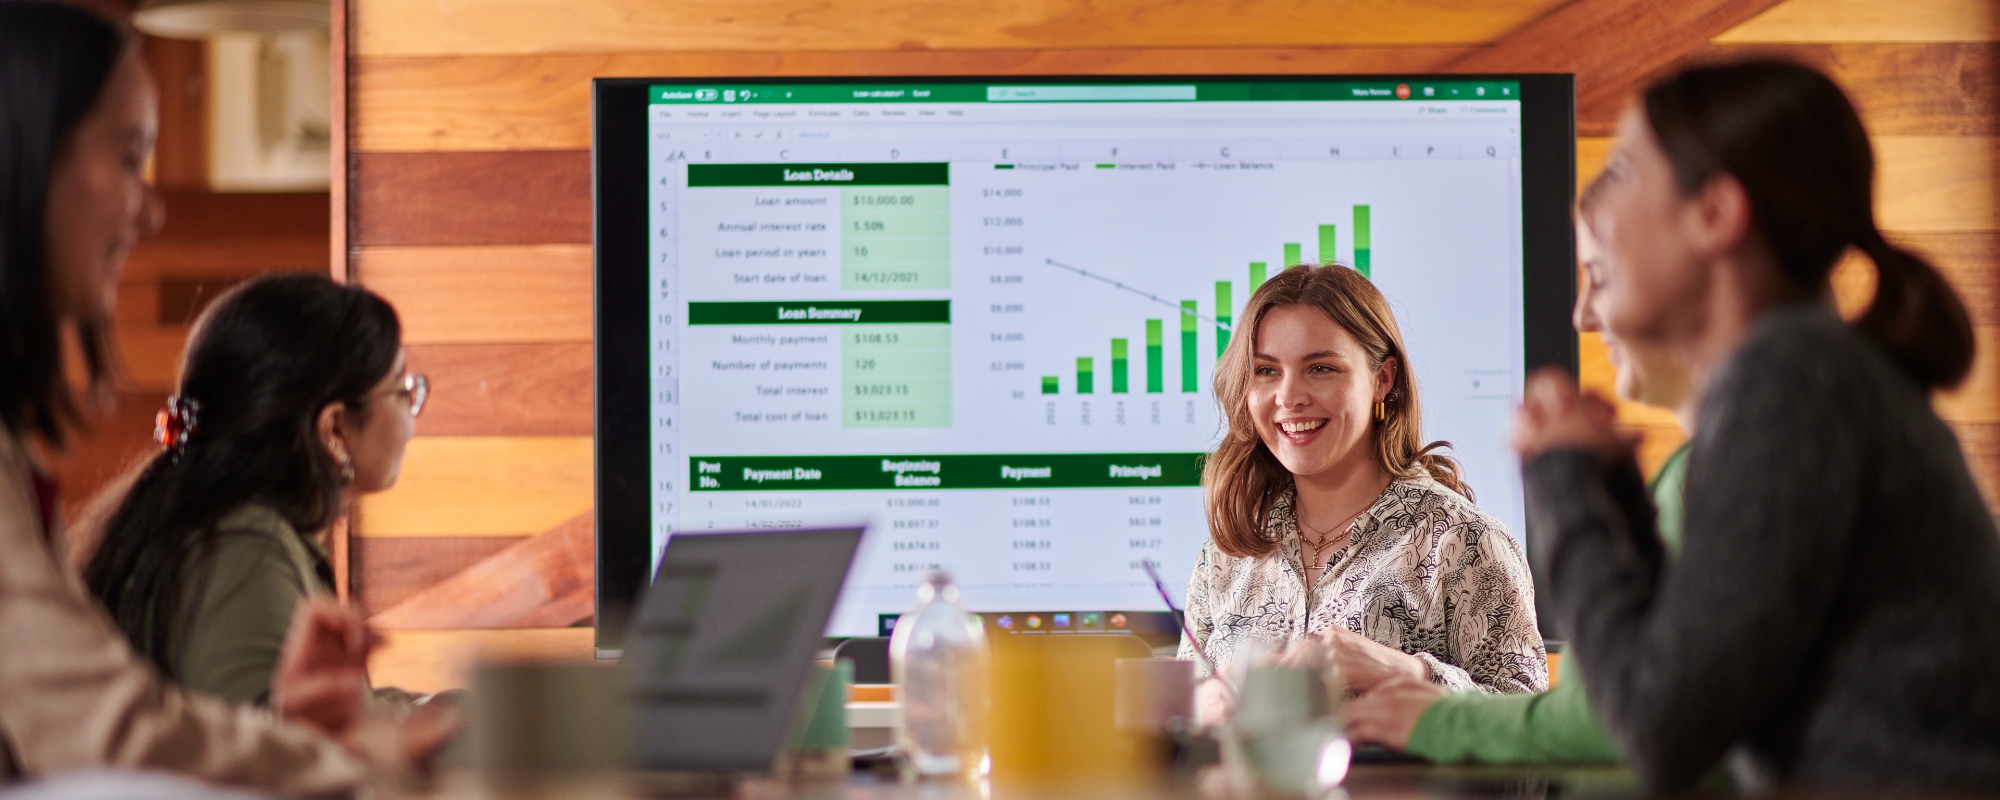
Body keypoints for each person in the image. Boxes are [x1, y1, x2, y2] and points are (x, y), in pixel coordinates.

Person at [1514, 58, 2000, 791]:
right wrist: (1611, 496)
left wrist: (1561, 480)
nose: (1591, 204)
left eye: (1620, 171)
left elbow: (1662, 730)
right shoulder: (1807, 371)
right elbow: (1681, 673)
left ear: (1715, 214)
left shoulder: (1792, 377)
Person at [0, 1, 447, 790]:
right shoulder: (244, 542)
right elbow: (100, 728)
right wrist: (340, 757)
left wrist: (307, 730)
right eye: (128, 158)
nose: (150, 207)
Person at [1343, 218, 1691, 763]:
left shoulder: (1754, 450)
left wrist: (1428, 707)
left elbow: (1631, 715)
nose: (1583, 316)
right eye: (1265, 371)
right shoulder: (1694, 468)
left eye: (1601, 275)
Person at [1180, 264, 1545, 697]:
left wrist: (1411, 674)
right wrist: (1200, 708)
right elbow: (1179, 716)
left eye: (1321, 368)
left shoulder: (1465, 544)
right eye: (1266, 371)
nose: (1289, 397)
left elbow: (1529, 727)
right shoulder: (1225, 557)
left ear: (1382, 379)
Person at [84, 274, 427, 706]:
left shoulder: (235, 528)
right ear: (335, 430)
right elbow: (276, 735)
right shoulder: (243, 548)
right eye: (401, 390)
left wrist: (439, 712)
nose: (412, 419)